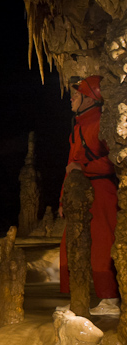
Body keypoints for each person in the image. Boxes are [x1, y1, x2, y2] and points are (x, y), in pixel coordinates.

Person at [58, 75, 120, 316]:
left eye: (77, 94)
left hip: (102, 190)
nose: (71, 97)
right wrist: (64, 198)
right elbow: (71, 164)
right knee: (71, 243)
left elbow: (114, 160)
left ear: (90, 98)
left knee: (102, 243)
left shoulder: (99, 123)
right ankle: (80, 294)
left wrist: (84, 168)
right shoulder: (79, 125)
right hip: (82, 190)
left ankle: (110, 297)